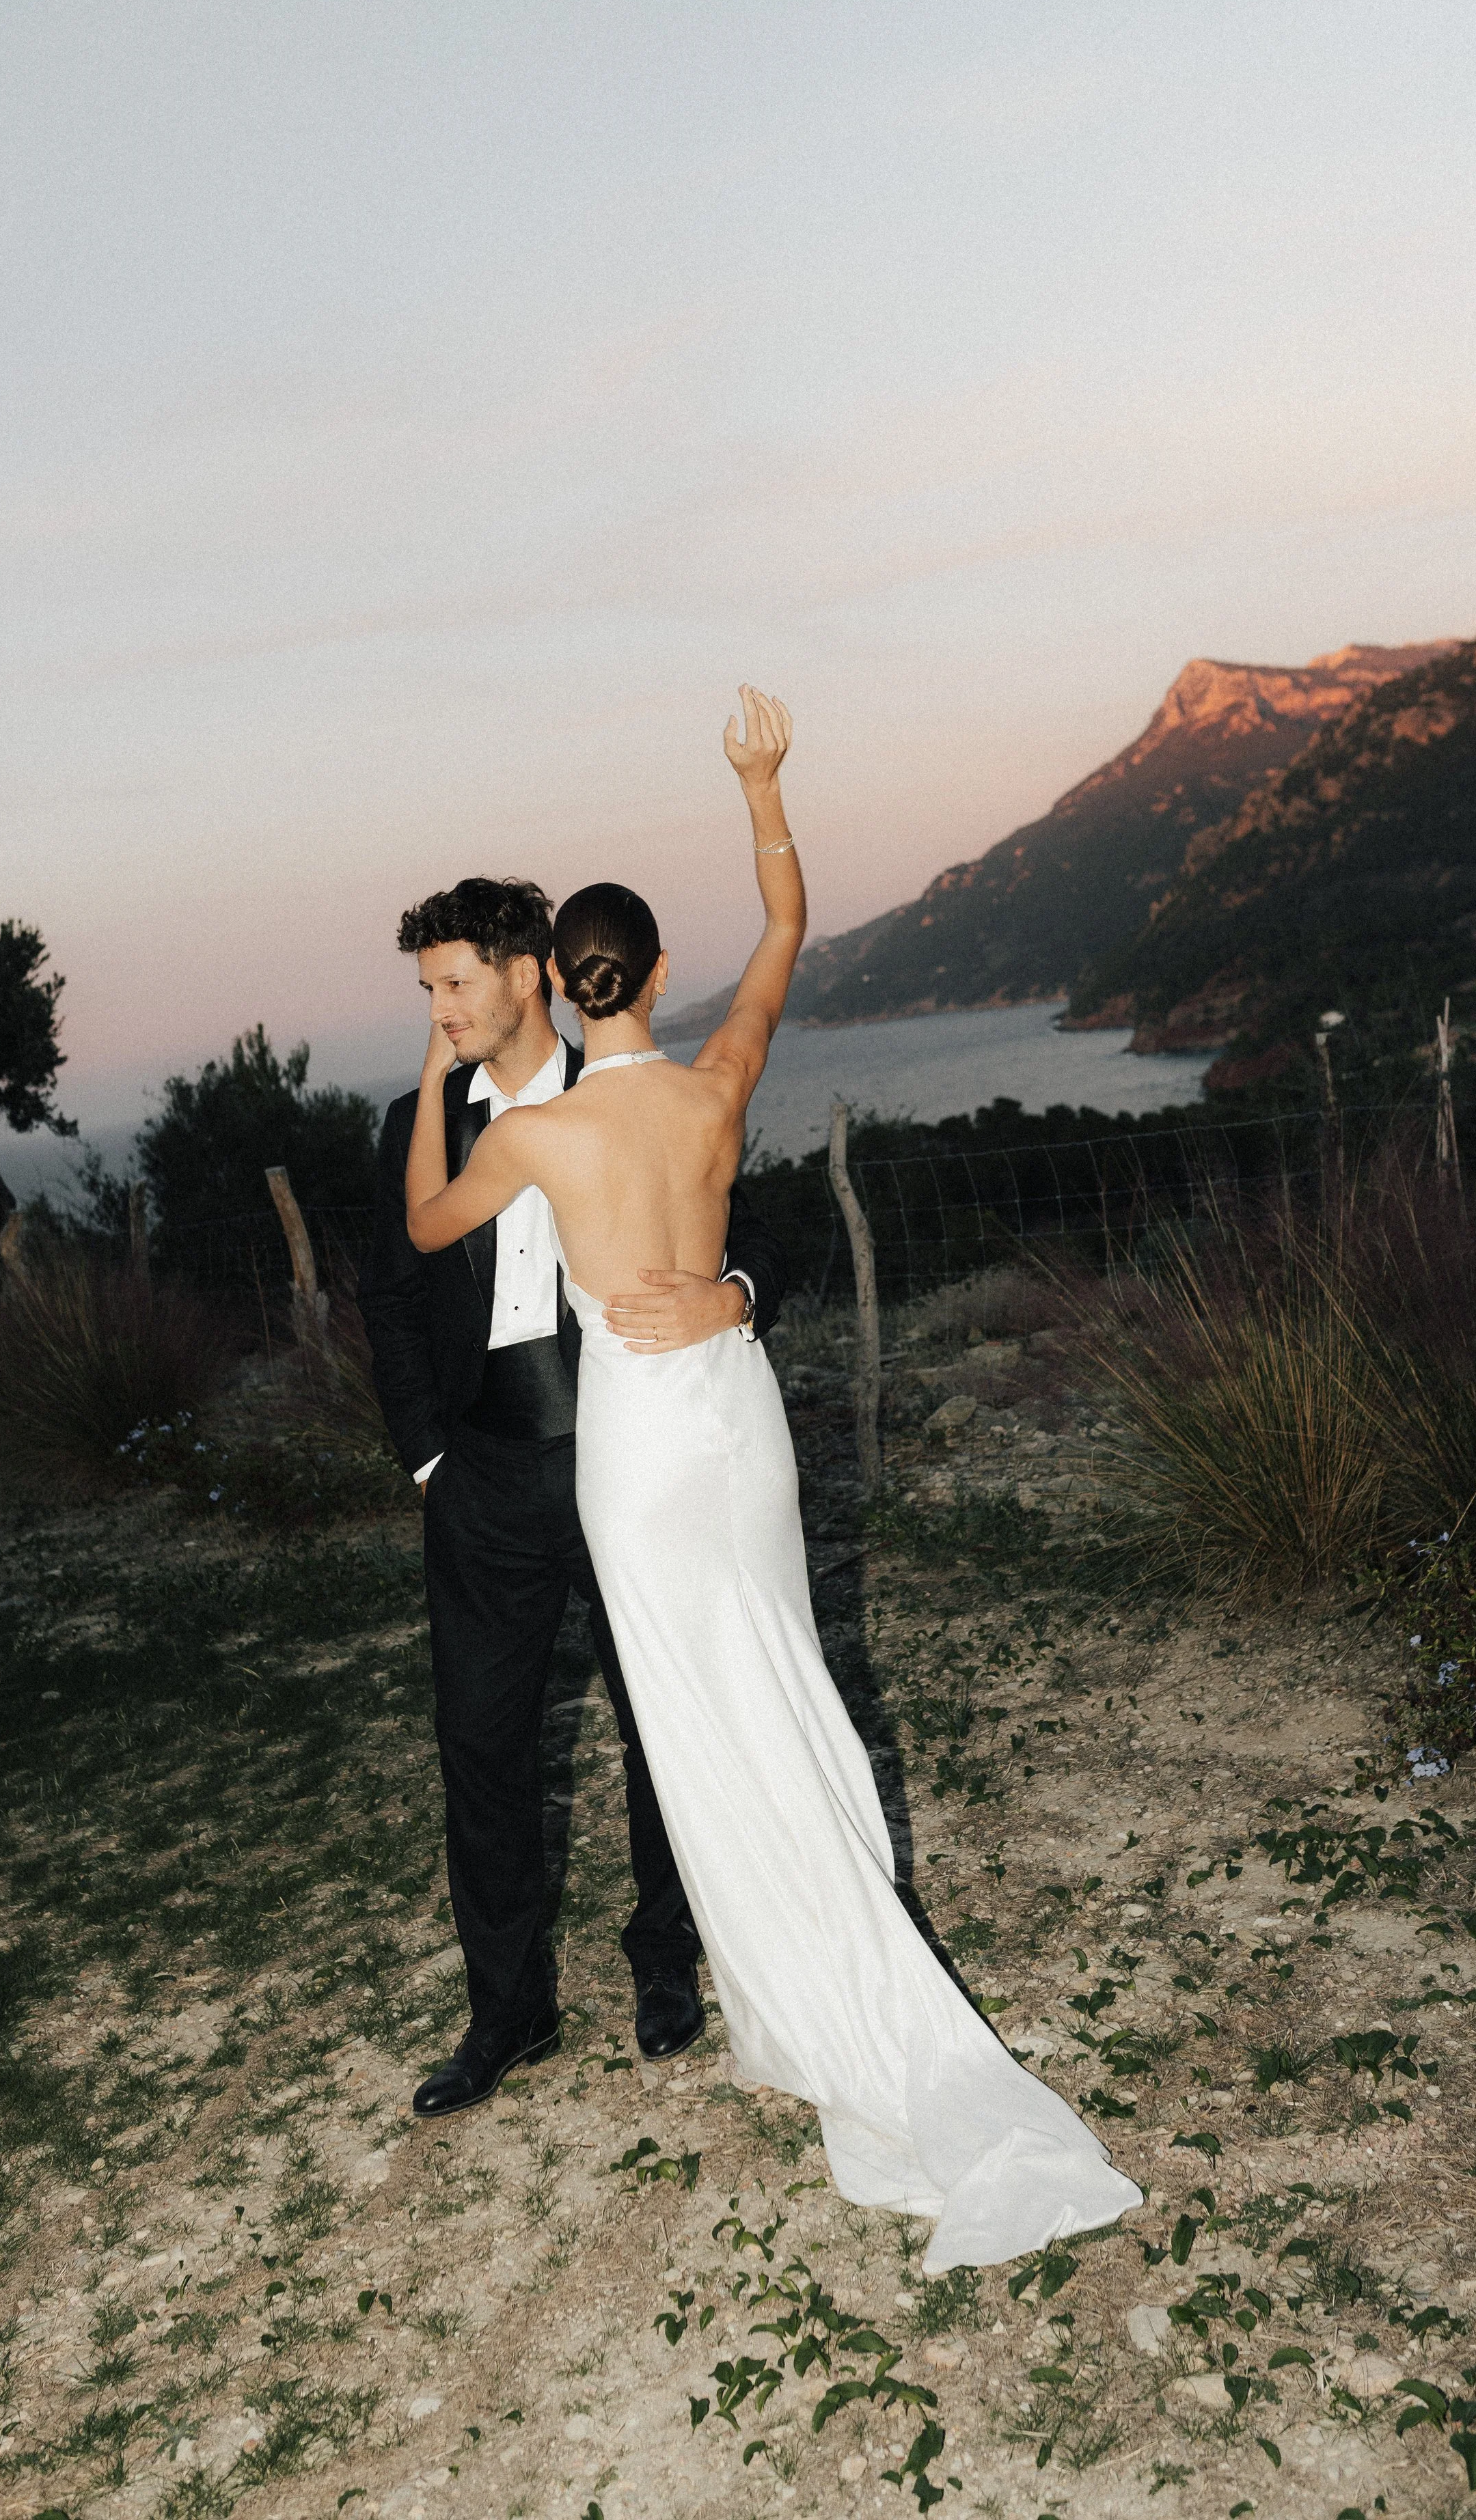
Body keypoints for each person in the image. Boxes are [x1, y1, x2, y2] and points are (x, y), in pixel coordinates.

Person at [402, 690, 1143, 2269]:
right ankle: (811, 1941)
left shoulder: (538, 1143)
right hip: (733, 1423)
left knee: (688, 1702)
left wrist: (437, 1098)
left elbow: (418, 1233)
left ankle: (772, 1966)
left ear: (555, 981)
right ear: (656, 976)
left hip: (635, 1441)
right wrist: (759, 783)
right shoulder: (721, 1080)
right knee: (770, 1670)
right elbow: (788, 922)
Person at [359, 875, 789, 2118]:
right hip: (480, 1475)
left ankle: (666, 1959)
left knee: (661, 1715)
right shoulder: (418, 1121)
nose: (437, 1010)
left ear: (527, 974)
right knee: (479, 1745)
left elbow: (747, 1224)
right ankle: (509, 2011)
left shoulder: (628, 1090)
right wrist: (429, 1459)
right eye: (426, 987)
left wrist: (737, 1295)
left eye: (453, 983)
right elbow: (389, 1294)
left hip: (625, 1452)